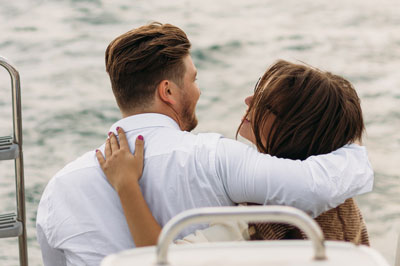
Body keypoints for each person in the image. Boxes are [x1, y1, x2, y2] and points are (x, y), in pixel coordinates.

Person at [36, 22, 373, 266]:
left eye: (264, 101)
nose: (198, 90)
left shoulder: (59, 187)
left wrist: (128, 186)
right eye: (194, 79)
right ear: (167, 92)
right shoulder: (222, 161)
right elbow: (314, 184)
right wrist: (356, 156)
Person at [97, 60, 370, 246]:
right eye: (256, 91)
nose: (249, 100)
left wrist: (126, 185)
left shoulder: (259, 216)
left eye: (266, 101)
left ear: (294, 128)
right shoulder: (342, 202)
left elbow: (161, 258)